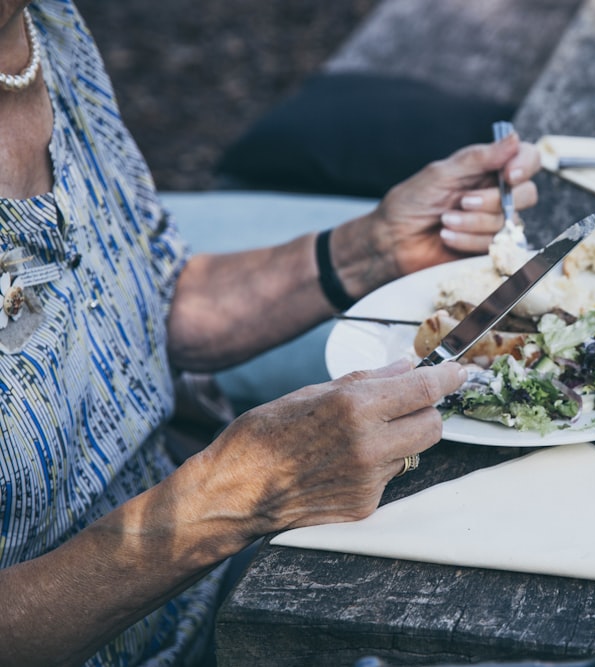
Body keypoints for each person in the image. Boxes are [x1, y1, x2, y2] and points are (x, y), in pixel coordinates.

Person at [0, 1, 541, 665]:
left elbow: (136, 307)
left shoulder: (46, 28)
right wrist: (230, 496)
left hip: (217, 587)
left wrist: (371, 248)